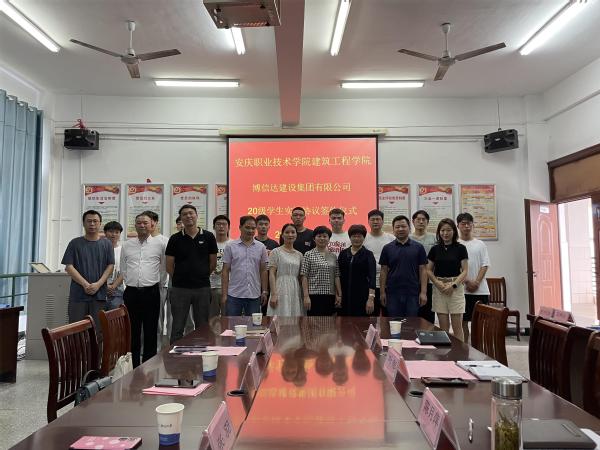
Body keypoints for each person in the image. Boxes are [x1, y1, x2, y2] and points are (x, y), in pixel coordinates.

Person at [166, 204, 217, 343]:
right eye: (184, 214)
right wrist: (180, 278)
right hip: (180, 289)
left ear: (196, 215)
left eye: (191, 213)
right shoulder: (175, 238)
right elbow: (169, 266)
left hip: (202, 288)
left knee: (202, 326)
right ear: (181, 218)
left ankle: (202, 354)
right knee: (177, 326)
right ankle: (175, 355)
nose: (188, 216)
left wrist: (201, 275)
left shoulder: (208, 236)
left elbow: (212, 263)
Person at [120, 213, 164, 367]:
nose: (142, 225)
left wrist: (156, 284)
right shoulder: (127, 245)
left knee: (151, 330)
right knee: (133, 330)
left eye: (145, 222)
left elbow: (163, 269)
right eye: (139, 223)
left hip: (151, 292)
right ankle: (133, 366)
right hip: (131, 292)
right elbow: (123, 268)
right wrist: (131, 282)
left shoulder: (160, 244)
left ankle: (148, 366)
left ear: (152, 224)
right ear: (135, 225)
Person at [61, 210, 114, 325]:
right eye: (89, 221)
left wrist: (98, 284)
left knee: (98, 329)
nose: (92, 224)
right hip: (78, 295)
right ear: (83, 223)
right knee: (76, 329)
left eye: (95, 221)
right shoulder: (74, 243)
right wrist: (85, 284)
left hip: (99, 295)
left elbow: (110, 266)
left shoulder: (107, 244)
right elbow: (69, 267)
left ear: (100, 223)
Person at [427, 218, 469, 341]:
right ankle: (445, 352)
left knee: (457, 327)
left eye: (449, 230)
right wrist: (437, 283)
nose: (445, 233)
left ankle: (459, 351)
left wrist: (453, 285)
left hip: (455, 288)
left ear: (454, 231)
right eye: (442, 230)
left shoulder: (461, 248)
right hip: (439, 288)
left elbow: (465, 271)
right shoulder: (435, 249)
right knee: (443, 328)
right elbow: (428, 270)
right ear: (439, 232)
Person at [380, 215, 428, 317]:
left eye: (403, 226)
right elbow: (383, 271)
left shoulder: (418, 247)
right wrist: (382, 292)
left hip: (412, 293)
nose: (400, 229)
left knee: (411, 323)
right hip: (392, 293)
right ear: (393, 230)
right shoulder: (387, 248)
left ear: (409, 228)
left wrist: (423, 292)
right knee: (394, 323)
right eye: (397, 227)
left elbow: (423, 270)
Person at [222, 216, 269, 315]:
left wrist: (264, 291)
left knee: (253, 324)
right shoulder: (230, 246)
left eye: (253, 228)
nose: (250, 231)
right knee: (232, 323)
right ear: (240, 227)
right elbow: (225, 270)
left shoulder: (261, 247)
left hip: (254, 294)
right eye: (247, 227)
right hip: (234, 295)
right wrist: (224, 294)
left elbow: (263, 270)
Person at [457, 212, 491, 343]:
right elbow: (455, 267)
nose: (466, 226)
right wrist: (466, 281)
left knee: (480, 323)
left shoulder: (480, 244)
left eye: (469, 223)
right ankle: (464, 348)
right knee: (462, 322)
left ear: (473, 225)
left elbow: (485, 264)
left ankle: (478, 349)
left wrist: (476, 282)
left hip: (480, 290)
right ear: (458, 226)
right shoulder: (456, 244)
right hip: (462, 290)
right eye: (463, 224)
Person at [143, 210, 171, 349]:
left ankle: (170, 347)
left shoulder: (165, 240)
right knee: (155, 319)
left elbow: (166, 265)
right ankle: (156, 348)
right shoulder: (142, 241)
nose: (147, 224)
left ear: (155, 222)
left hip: (164, 285)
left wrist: (161, 282)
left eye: (150, 221)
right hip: (149, 286)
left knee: (169, 319)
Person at [300, 226, 342, 316]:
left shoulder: (333, 256)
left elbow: (336, 276)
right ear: (314, 239)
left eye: (325, 236)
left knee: (329, 322)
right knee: (313, 322)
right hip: (313, 295)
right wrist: (306, 296)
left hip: (330, 295)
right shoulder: (308, 254)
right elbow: (304, 276)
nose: (322, 238)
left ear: (329, 239)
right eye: (319, 236)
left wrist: (339, 294)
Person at [338, 224, 376, 316]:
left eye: (359, 236)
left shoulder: (368, 254)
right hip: (344, 296)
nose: (356, 239)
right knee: (344, 322)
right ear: (350, 237)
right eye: (354, 236)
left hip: (362, 296)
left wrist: (370, 299)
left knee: (360, 322)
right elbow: (338, 275)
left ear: (364, 238)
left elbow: (372, 278)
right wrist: (338, 295)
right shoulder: (343, 254)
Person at [267, 223, 304, 316]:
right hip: (280, 288)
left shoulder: (299, 255)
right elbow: (271, 274)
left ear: (296, 235)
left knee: (294, 317)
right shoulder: (275, 252)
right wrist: (274, 294)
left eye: (293, 232)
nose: (290, 235)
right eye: (287, 232)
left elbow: (301, 277)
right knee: (280, 315)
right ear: (282, 235)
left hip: (295, 289)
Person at [364, 209, 395, 316]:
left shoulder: (391, 238)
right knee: (370, 317)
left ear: (383, 221)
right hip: (369, 284)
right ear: (368, 221)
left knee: (389, 316)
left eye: (378, 219)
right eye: (373, 219)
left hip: (388, 283)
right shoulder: (363, 238)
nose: (375, 222)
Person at [410, 210, 437, 323]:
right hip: (412, 280)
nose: (421, 222)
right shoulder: (408, 238)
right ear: (413, 221)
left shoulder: (434, 238)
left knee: (428, 313)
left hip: (430, 281)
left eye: (423, 219)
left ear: (427, 222)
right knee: (413, 314)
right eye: (418, 219)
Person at [256, 214, 280, 315]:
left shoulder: (275, 244)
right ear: (256, 226)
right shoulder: (252, 242)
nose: (263, 226)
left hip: (270, 283)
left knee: (268, 313)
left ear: (269, 226)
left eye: (266, 224)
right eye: (261, 224)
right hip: (254, 281)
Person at [209, 215, 232, 318]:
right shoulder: (208, 244)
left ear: (229, 227)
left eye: (224, 224)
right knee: (211, 320)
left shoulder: (233, 244)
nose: (221, 226)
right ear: (214, 227)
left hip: (229, 288)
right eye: (218, 224)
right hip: (211, 286)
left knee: (228, 319)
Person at [103, 221, 124, 310]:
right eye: (111, 231)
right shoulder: (99, 249)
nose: (113, 234)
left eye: (117, 232)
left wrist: (113, 286)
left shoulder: (123, 250)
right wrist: (105, 286)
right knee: (99, 316)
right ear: (105, 232)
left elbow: (124, 271)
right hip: (100, 288)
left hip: (118, 289)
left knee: (115, 316)